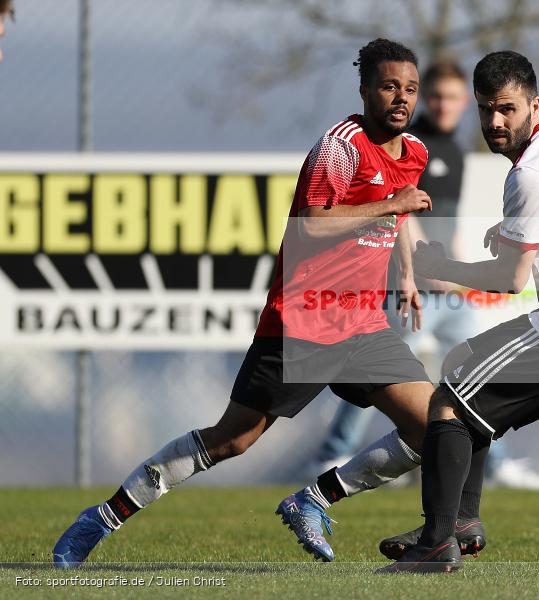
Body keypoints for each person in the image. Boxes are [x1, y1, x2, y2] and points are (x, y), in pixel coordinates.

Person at [53, 38, 440, 568]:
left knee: (435, 426)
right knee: (231, 441)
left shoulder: (414, 152)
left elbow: (396, 220)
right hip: (305, 320)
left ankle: (314, 499)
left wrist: (407, 273)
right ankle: (101, 518)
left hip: (363, 322)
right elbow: (308, 228)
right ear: (365, 89)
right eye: (390, 86)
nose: (401, 98)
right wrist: (390, 204)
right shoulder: (341, 147)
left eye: (410, 89)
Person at [376, 50, 539, 573]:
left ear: (533, 105)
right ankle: (460, 522)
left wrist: (441, 267)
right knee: (465, 367)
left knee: (448, 402)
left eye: (507, 109)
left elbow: (510, 280)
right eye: (485, 109)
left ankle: (435, 543)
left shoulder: (530, 175)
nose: (495, 122)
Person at [310, 59, 539, 490]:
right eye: (437, 96)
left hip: (447, 287)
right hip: (410, 284)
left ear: (465, 102)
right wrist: (423, 268)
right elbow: (399, 205)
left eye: (453, 98)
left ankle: (496, 462)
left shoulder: (456, 150)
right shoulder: (409, 141)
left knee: (471, 370)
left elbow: (447, 214)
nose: (444, 105)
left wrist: (458, 260)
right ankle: (335, 451)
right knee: (379, 374)